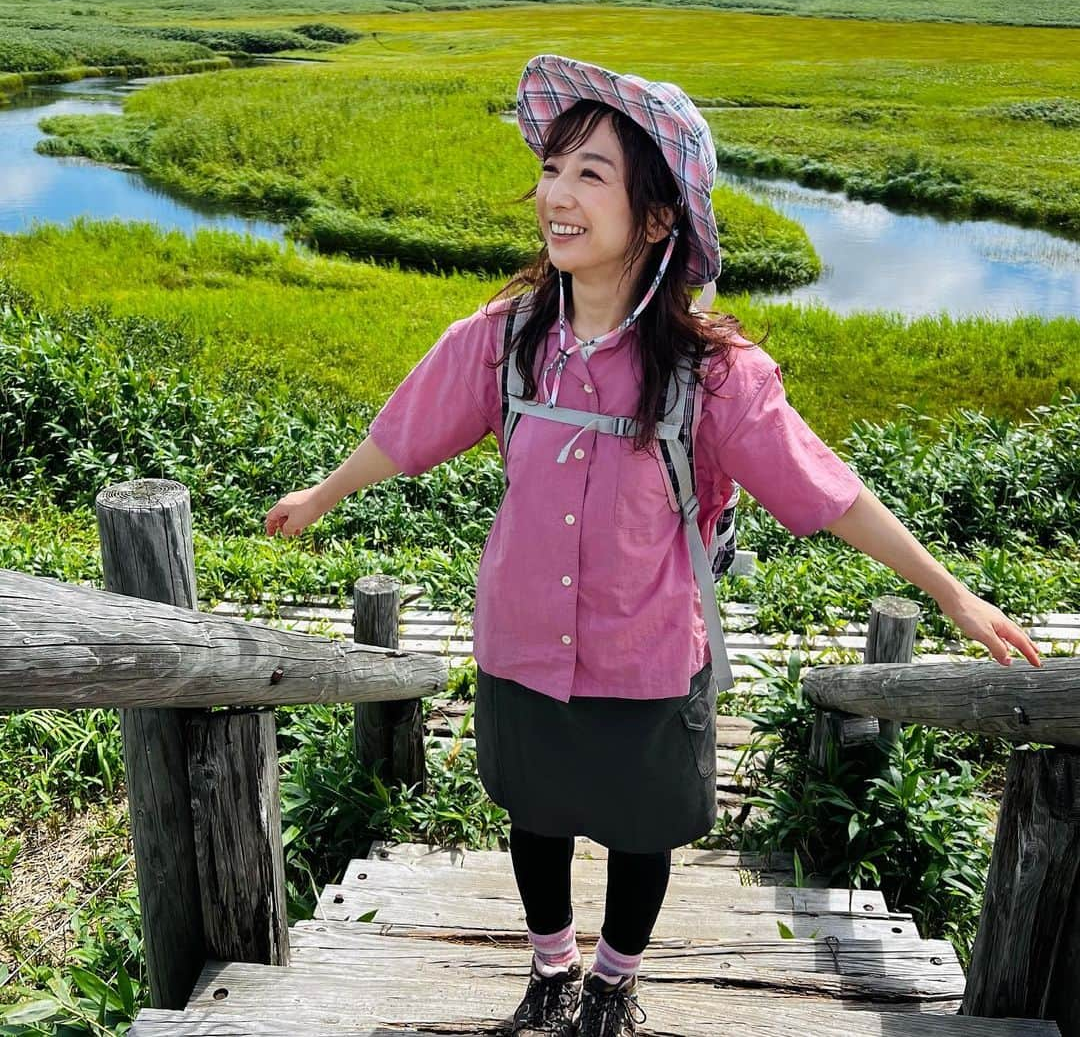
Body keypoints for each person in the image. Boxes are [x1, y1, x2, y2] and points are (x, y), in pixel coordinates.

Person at [265, 53, 1042, 1037]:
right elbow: (408, 429)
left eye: (592, 175)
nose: (557, 195)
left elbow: (829, 490)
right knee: (534, 813)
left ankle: (613, 987)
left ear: (659, 216)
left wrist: (952, 594)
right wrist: (323, 492)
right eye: (553, 169)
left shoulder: (712, 374)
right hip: (521, 636)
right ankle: (552, 973)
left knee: (642, 832)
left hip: (644, 651)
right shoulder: (506, 339)